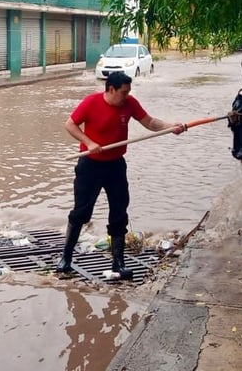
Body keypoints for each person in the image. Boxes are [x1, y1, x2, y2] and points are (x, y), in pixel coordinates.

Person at [57, 71, 186, 280]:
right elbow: (70, 124)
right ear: (111, 89)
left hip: (115, 166)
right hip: (90, 165)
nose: (127, 96)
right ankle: (66, 258)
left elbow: (150, 122)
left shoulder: (130, 103)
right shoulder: (91, 102)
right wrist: (89, 143)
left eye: (128, 92)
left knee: (119, 213)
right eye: (123, 92)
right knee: (81, 212)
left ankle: (118, 263)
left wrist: (171, 127)